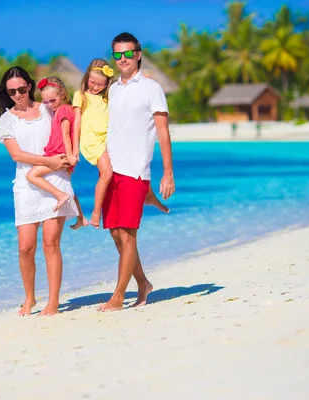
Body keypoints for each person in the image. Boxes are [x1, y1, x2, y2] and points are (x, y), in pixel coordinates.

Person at [98, 32, 176, 312]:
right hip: (110, 171)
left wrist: (167, 172)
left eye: (128, 54)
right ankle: (143, 283)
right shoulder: (113, 88)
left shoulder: (152, 88)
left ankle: (118, 295)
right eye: (117, 54)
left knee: (128, 234)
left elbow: (163, 132)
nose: (123, 59)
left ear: (139, 54)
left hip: (135, 170)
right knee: (116, 233)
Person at [0, 66, 79, 316]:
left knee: (51, 243)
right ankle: (30, 297)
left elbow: (72, 121)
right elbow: (16, 154)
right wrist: (48, 161)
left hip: (54, 179)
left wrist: (67, 160)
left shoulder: (47, 108)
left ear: (30, 86)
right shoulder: (6, 119)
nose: (18, 95)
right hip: (26, 182)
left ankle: (53, 302)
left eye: (22, 89)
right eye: (12, 91)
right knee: (25, 247)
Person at [73, 59, 169, 229]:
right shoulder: (80, 95)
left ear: (106, 84)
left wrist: (145, 80)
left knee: (132, 164)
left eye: (100, 85)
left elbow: (127, 90)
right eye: (92, 82)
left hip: (108, 139)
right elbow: (77, 122)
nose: (95, 87)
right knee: (107, 174)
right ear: (86, 76)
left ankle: (150, 195)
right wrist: (74, 149)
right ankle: (96, 212)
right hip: (93, 142)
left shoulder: (109, 95)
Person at [25, 76, 88, 230]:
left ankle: (60, 195)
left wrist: (71, 155)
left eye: (52, 100)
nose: (49, 105)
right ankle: (81, 218)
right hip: (61, 153)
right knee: (69, 187)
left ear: (62, 95)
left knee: (32, 175)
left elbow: (66, 134)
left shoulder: (63, 110)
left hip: (59, 154)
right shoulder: (61, 109)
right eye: (45, 102)